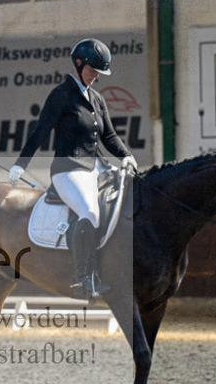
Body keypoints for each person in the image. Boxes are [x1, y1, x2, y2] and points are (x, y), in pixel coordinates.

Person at [8, 38, 137, 297]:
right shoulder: (61, 95)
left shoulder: (97, 99)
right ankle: (82, 278)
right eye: (93, 70)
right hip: (68, 169)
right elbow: (40, 131)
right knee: (89, 212)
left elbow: (109, 136)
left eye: (99, 73)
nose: (96, 77)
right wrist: (20, 164)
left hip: (96, 168)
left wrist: (126, 155)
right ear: (78, 63)